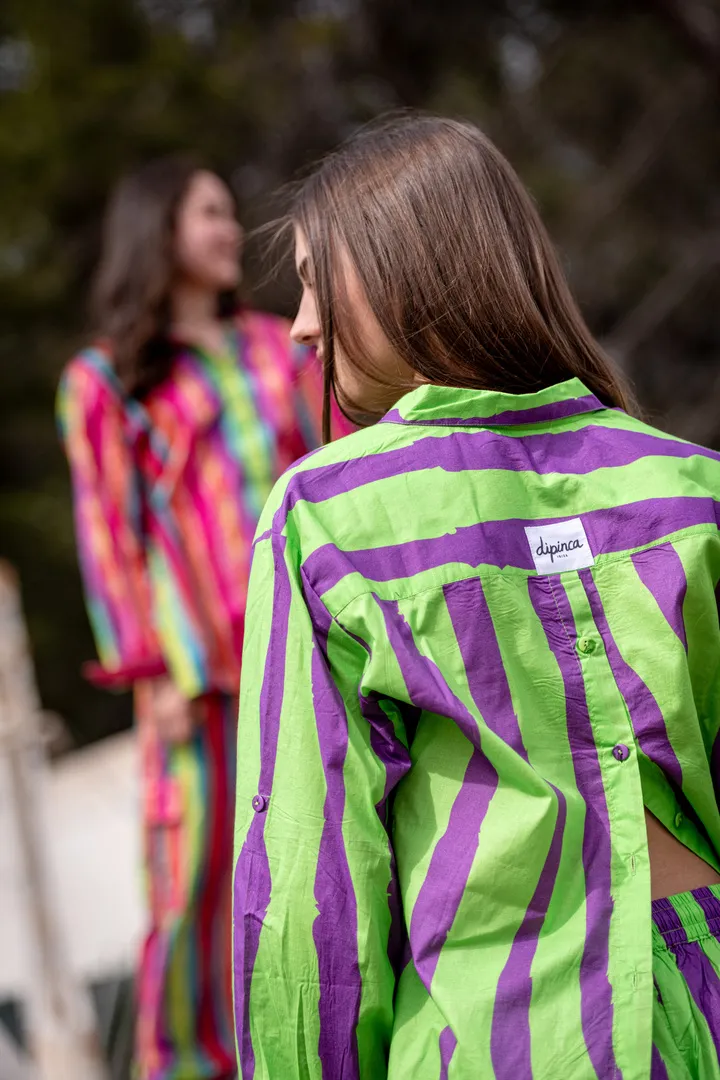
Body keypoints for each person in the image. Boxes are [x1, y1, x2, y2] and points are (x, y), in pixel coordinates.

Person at [232, 114, 720, 1080]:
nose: (300, 324)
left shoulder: (326, 517)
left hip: (504, 1037)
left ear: (403, 263)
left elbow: (309, 889)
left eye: (315, 278)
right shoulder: (688, 488)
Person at [57, 156, 349, 1080]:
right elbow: (109, 534)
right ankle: (184, 1063)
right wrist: (148, 670)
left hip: (307, 642)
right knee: (192, 874)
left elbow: (332, 466)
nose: (232, 230)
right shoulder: (103, 379)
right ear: (160, 230)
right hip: (196, 673)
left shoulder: (275, 344)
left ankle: (315, 1048)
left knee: (321, 853)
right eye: (211, 213)